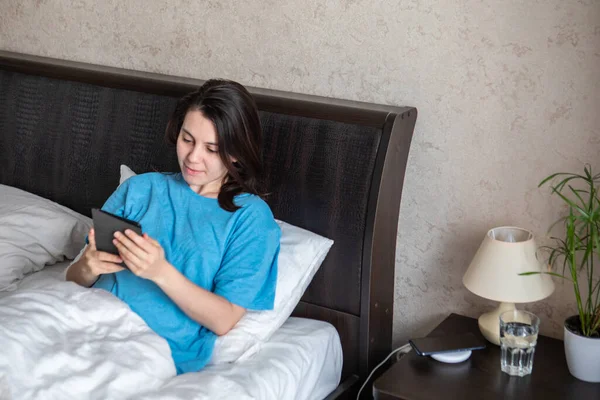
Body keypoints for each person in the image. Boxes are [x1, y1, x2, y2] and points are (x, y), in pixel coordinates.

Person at [66, 79, 281, 375]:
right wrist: (88, 266)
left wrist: (160, 272)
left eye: (212, 148)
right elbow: (74, 279)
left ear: (236, 153)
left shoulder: (250, 218)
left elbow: (224, 318)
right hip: (81, 317)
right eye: (187, 139)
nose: (193, 157)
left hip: (146, 343)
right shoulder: (140, 189)